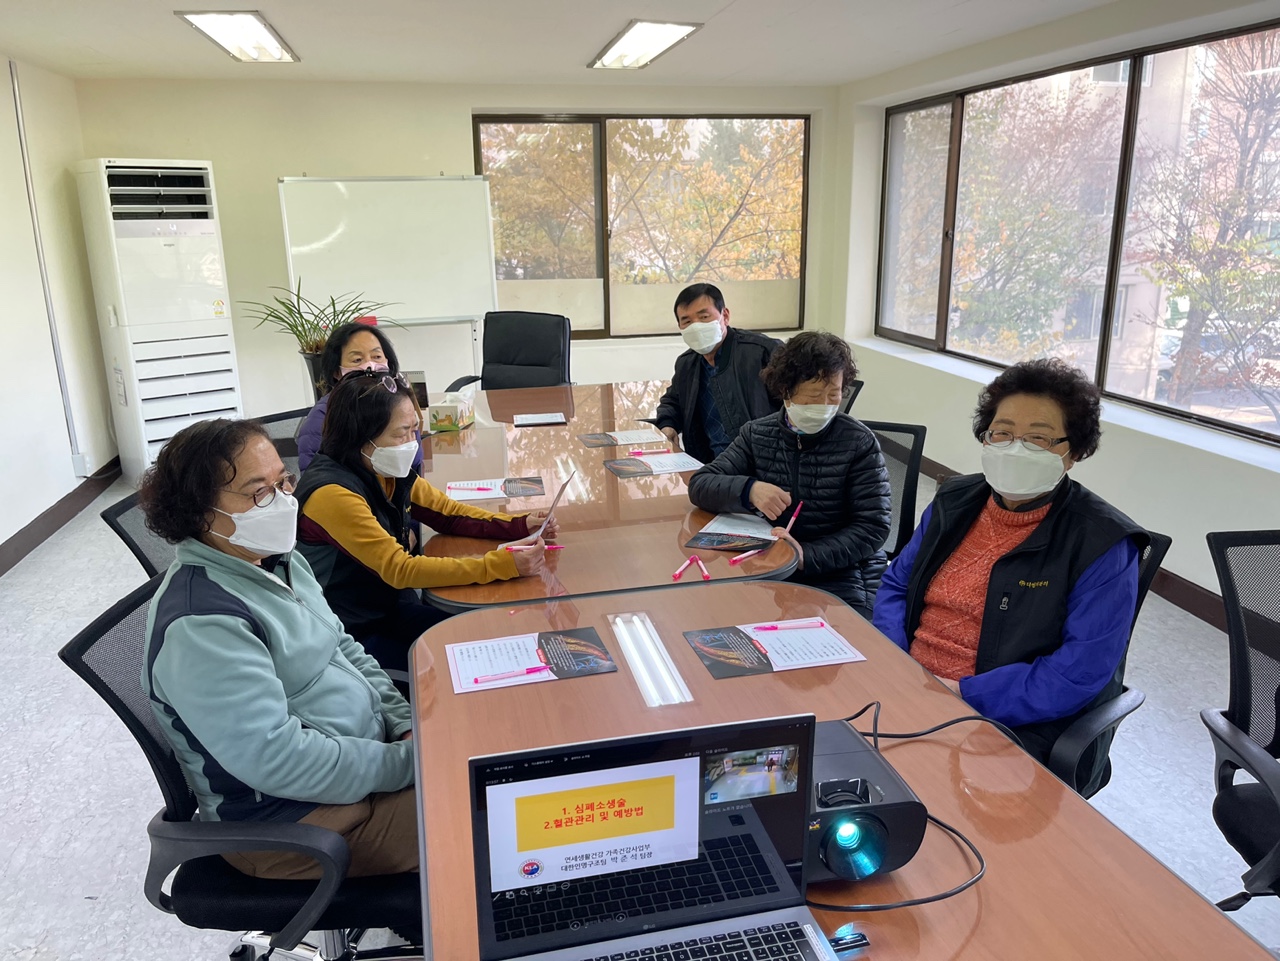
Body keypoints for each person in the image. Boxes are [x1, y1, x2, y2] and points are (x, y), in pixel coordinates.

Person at [139, 417, 417, 881]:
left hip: (360, 768)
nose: (285, 500)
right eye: (258, 492)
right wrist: (408, 763)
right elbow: (278, 759)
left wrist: (404, 723)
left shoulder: (277, 561)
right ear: (200, 512)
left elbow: (342, 646)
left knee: (496, 771)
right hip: (295, 824)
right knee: (488, 815)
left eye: (283, 482)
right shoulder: (202, 624)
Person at [872, 358, 1149, 791]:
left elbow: (1078, 671)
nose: (1016, 448)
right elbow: (896, 584)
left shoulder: (1104, 543)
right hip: (908, 681)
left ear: (1073, 452)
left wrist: (963, 694)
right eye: (1002, 433)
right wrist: (896, 661)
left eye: (1038, 438)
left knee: (931, 801)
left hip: (1013, 719)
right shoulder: (954, 500)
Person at [294, 370, 555, 670]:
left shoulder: (384, 469)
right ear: (360, 437)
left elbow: (448, 515)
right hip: (349, 636)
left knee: (485, 633)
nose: (412, 443)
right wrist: (500, 565)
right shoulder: (332, 494)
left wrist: (519, 525)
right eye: (401, 433)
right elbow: (400, 569)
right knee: (459, 661)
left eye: (414, 430)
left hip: (385, 608)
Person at [687, 331, 892, 617]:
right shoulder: (757, 434)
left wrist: (805, 555)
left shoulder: (858, 442)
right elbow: (700, 485)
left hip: (840, 571)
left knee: (833, 638)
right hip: (772, 564)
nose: (824, 405)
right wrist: (750, 490)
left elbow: (873, 526)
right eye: (813, 396)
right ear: (786, 391)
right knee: (722, 617)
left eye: (833, 394)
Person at [654, 283, 782, 464]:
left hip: (764, 465)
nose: (696, 327)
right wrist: (668, 424)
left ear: (725, 316)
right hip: (712, 468)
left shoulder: (762, 352)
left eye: (704, 317)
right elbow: (674, 401)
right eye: (687, 321)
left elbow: (796, 403)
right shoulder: (686, 364)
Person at [296, 321, 423, 473]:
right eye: (357, 360)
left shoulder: (398, 405)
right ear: (336, 372)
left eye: (377, 356)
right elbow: (316, 477)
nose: (370, 366)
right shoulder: (321, 418)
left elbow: (415, 464)